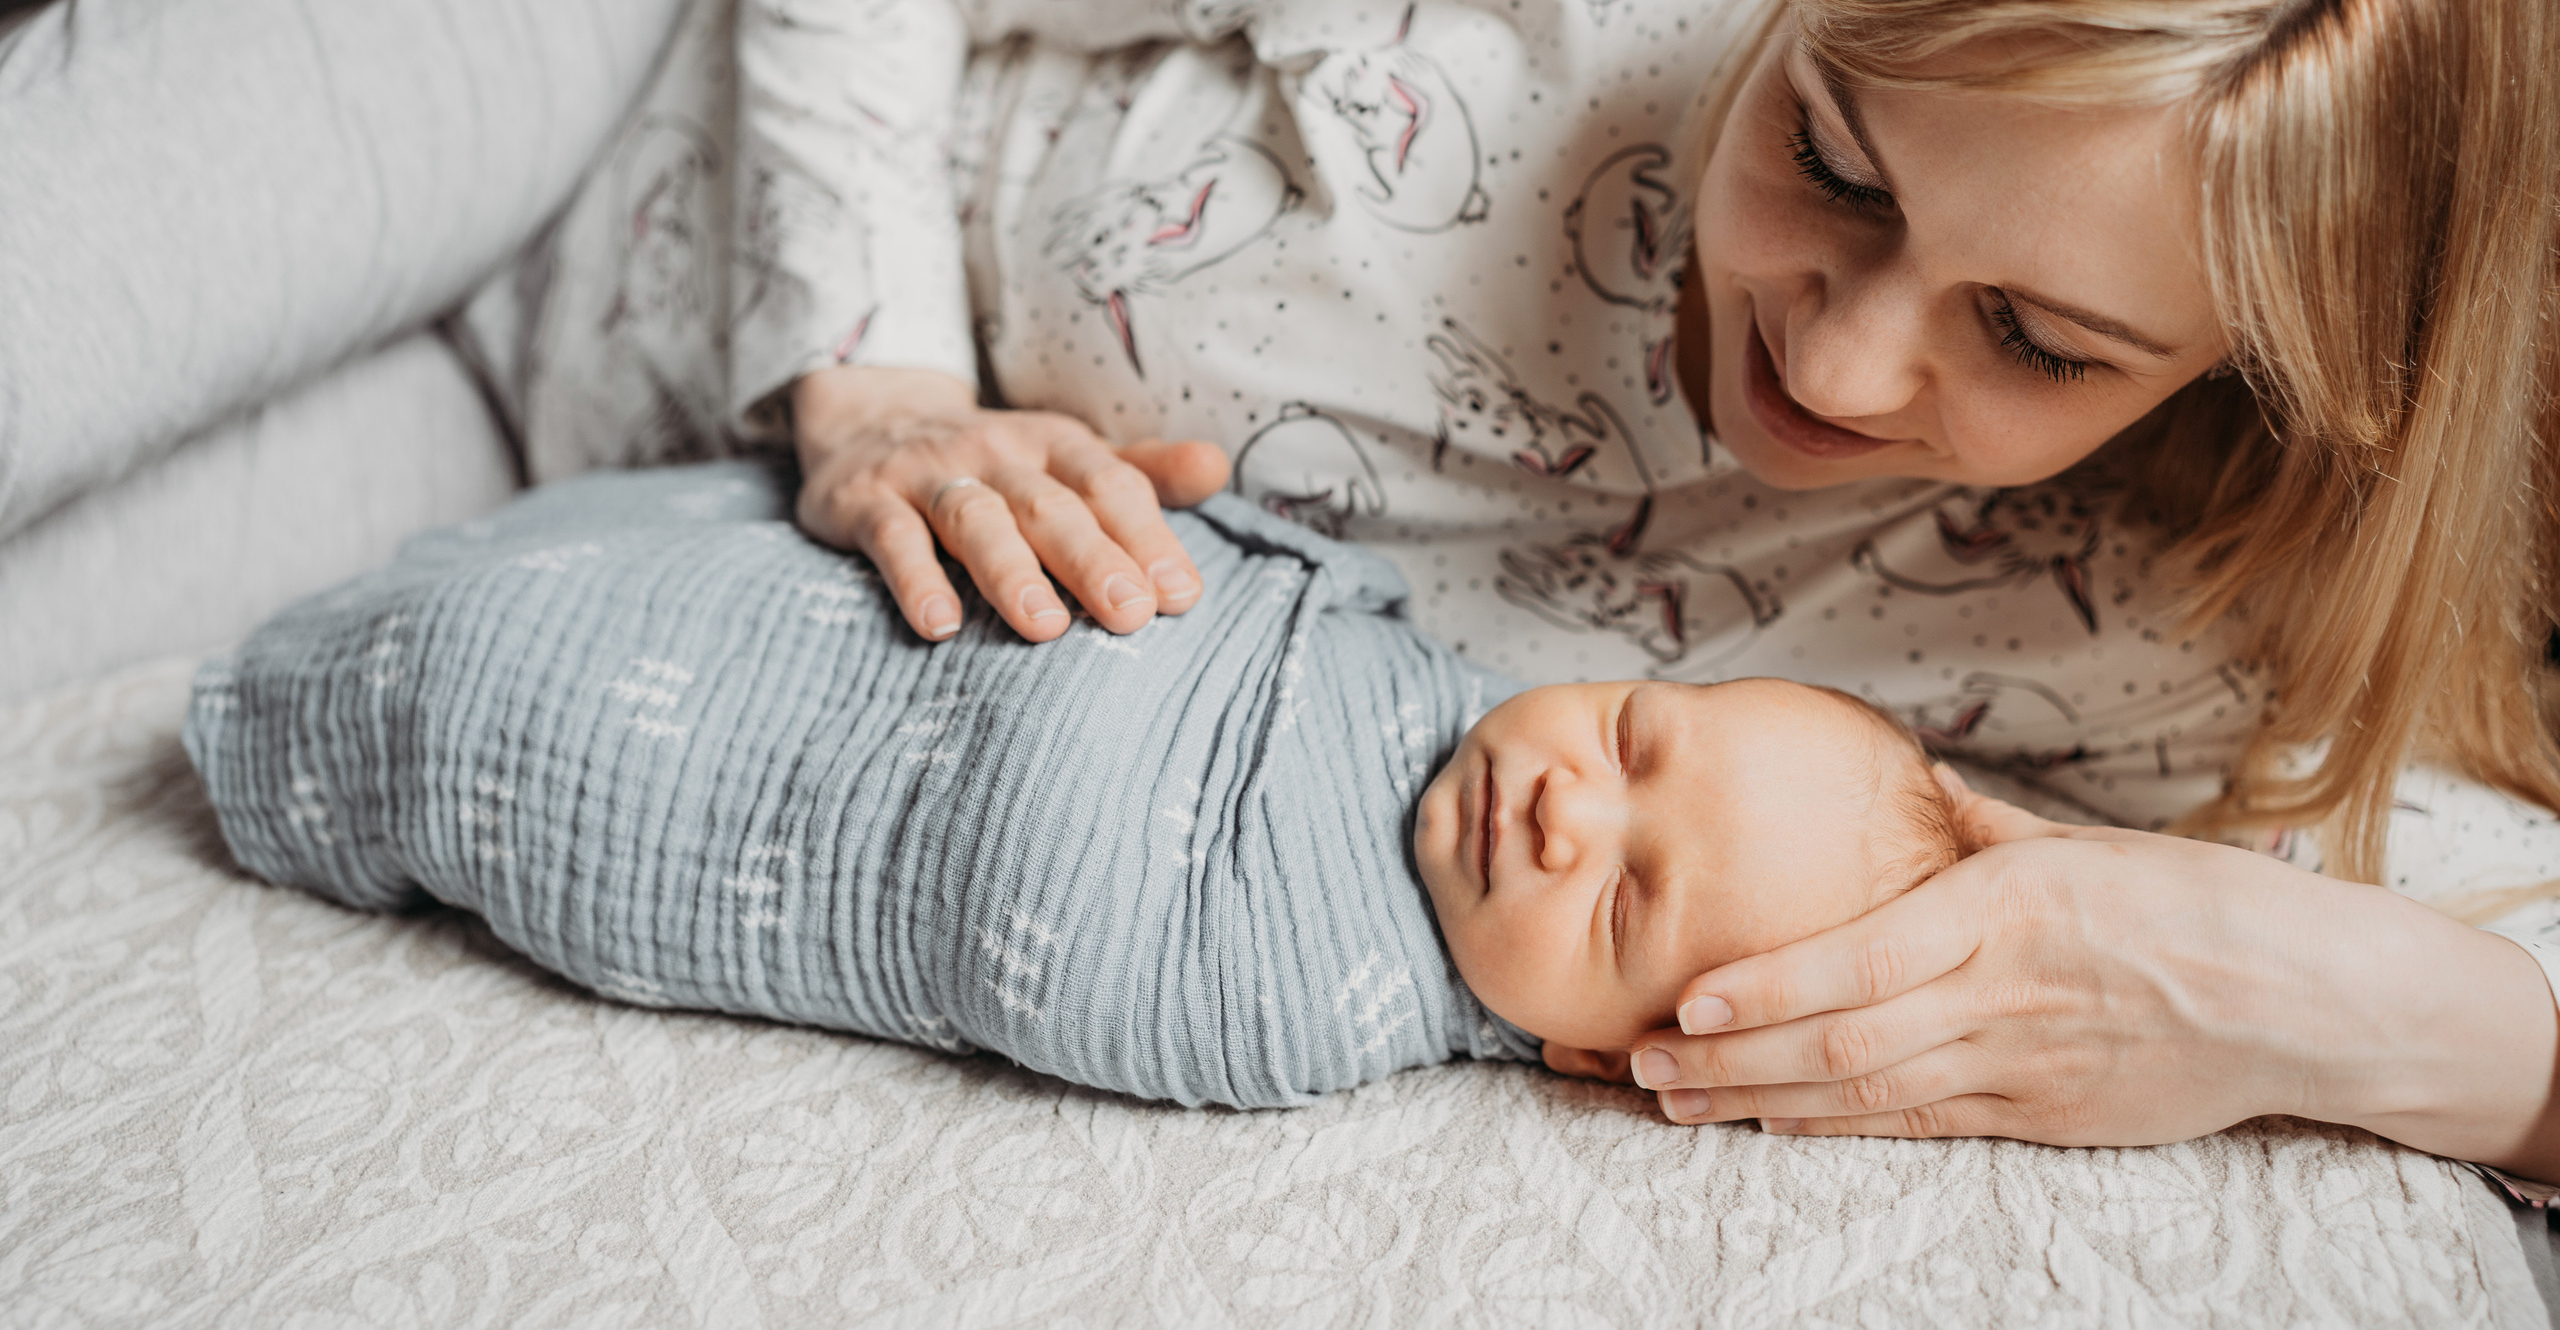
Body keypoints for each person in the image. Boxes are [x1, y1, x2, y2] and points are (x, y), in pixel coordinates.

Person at [467, 0, 2560, 1179]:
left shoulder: (2141, 640)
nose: (1831, 368)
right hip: (597, 19)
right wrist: (881, 388)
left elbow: (2494, 956)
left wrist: (2303, 1000)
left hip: (563, 513)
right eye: (1832, 161)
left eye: (2040, 341)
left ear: (2252, 380)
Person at [185, 462, 1971, 1107]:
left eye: (1624, 898)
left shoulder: (1290, 1006)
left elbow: (1049, 913)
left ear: (1599, 1051)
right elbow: (1206, 557)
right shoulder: (1387, 634)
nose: (1571, 809)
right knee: (687, 559)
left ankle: (332, 707)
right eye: (1637, 743)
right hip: (853, 598)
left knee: (502, 688)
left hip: (778, 787)